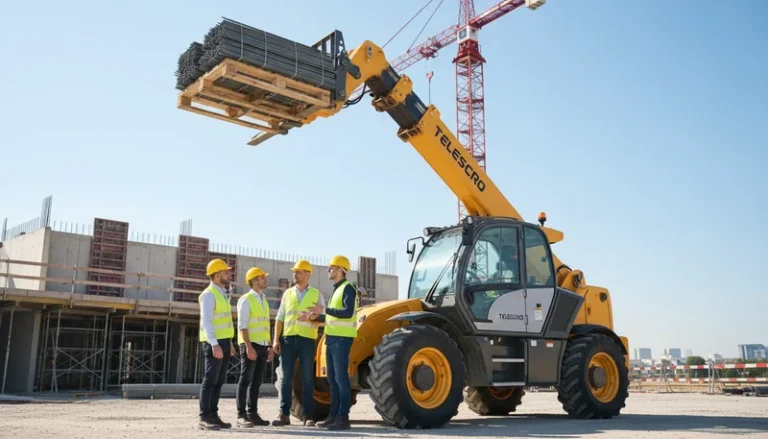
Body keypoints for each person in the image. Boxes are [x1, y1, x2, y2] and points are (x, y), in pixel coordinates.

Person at [302, 255, 358, 430]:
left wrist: (323, 310)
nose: (328, 270)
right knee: (332, 380)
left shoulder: (348, 288)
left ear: (340, 270)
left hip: (342, 339)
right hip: (332, 338)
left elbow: (347, 312)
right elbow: (333, 315)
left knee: (341, 380)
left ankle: (343, 418)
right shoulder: (337, 289)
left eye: (331, 268)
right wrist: (315, 316)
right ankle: (333, 416)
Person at [271, 259, 325, 427]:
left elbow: (323, 320)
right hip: (287, 340)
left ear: (308, 274)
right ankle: (284, 414)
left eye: (298, 272)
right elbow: (280, 318)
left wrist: (313, 317)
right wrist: (275, 340)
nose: (295, 274)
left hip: (307, 340)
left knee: (307, 378)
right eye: (294, 272)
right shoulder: (287, 294)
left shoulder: (317, 294)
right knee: (286, 379)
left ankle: (307, 416)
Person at [198, 258, 237, 431]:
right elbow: (206, 322)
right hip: (213, 342)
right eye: (226, 272)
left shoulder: (222, 293)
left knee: (219, 381)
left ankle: (213, 415)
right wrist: (214, 344)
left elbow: (225, 322)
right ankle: (204, 417)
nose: (229, 274)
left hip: (224, 342)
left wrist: (229, 343)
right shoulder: (208, 294)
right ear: (217, 275)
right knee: (210, 380)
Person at [235, 266, 274, 427]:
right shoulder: (246, 299)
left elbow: (265, 325)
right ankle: (241, 415)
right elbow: (242, 326)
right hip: (250, 345)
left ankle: (252, 413)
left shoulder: (263, 300)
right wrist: (248, 347)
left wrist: (270, 346)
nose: (265, 279)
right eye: (262, 277)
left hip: (263, 346)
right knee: (245, 380)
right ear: (255, 281)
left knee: (256, 382)